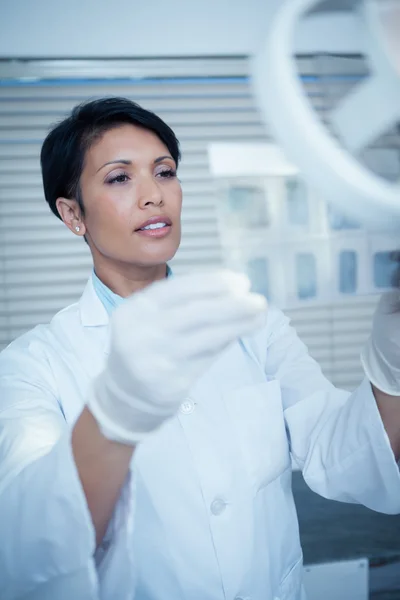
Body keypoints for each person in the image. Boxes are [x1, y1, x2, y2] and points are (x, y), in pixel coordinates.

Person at [0, 97, 399, 600]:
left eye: (164, 172)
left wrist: (393, 354)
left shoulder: (257, 324)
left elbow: (342, 455)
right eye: (120, 178)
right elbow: (30, 549)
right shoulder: (31, 366)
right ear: (73, 214)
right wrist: (116, 407)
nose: (153, 195)